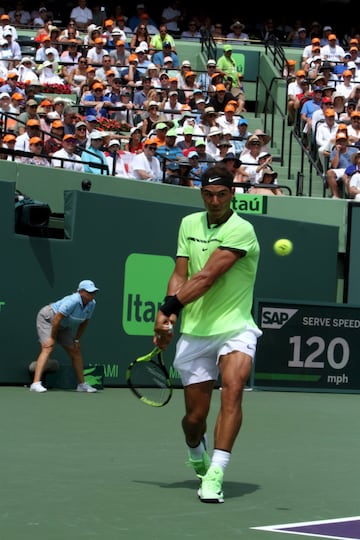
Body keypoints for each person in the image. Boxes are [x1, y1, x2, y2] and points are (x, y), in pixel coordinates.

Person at [153, 164, 262, 504]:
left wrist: (167, 308)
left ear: (232, 194)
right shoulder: (188, 224)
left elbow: (207, 277)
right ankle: (194, 448)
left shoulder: (242, 229)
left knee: (233, 390)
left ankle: (216, 471)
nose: (214, 201)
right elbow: (181, 274)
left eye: (221, 194)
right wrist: (170, 319)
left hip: (235, 326)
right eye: (208, 194)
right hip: (196, 331)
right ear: (201, 194)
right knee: (194, 418)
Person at [30, 279, 99, 393]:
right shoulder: (73, 300)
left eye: (93, 292)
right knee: (48, 347)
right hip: (48, 318)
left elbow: (85, 322)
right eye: (88, 292)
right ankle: (35, 383)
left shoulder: (92, 304)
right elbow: (57, 318)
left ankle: (81, 385)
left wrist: (76, 340)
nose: (91, 295)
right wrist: (52, 337)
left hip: (62, 325)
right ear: (80, 292)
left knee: (75, 351)